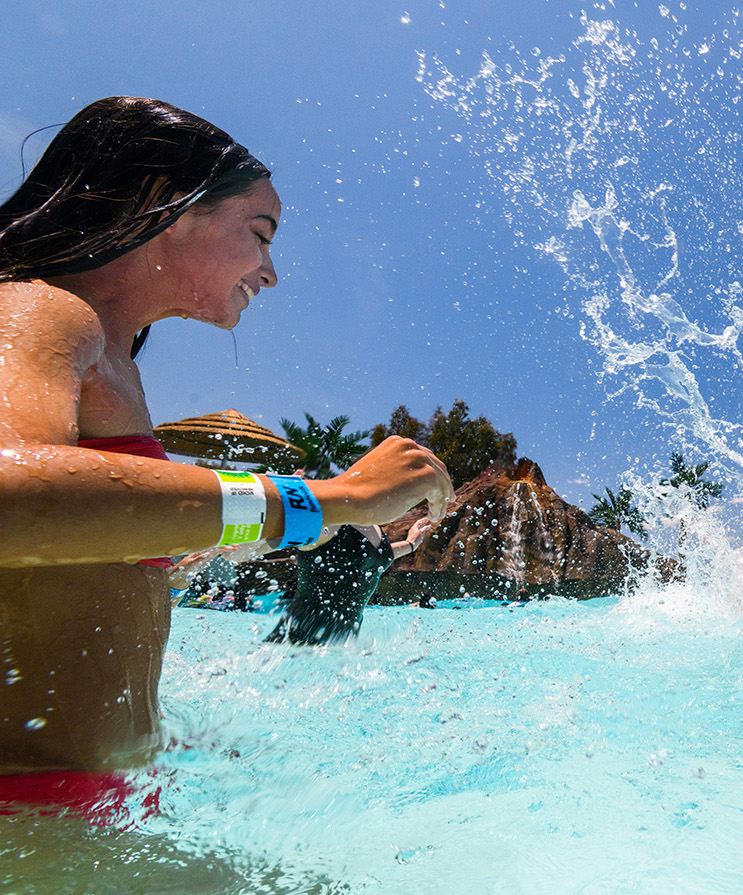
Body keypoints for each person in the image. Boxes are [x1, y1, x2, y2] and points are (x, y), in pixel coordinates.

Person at [0, 98, 452, 798]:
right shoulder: (43, 309)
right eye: (261, 233)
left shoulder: (114, 362)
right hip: (34, 821)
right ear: (169, 205)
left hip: (85, 803)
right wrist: (328, 498)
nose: (270, 272)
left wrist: (173, 737)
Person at [263, 519, 429, 645]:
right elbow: (275, 536)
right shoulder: (328, 521)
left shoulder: (372, 523)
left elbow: (373, 556)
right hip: (296, 645)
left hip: (343, 645)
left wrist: (410, 544)